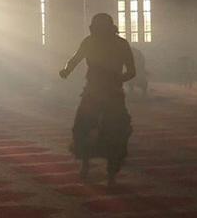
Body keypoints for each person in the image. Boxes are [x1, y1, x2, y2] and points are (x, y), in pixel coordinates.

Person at [59, 13, 145, 187]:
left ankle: (110, 174)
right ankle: (85, 163)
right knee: (82, 127)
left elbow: (131, 71)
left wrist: (117, 80)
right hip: (93, 92)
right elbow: (75, 59)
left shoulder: (120, 44)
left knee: (116, 132)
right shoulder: (89, 42)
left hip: (112, 94)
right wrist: (66, 71)